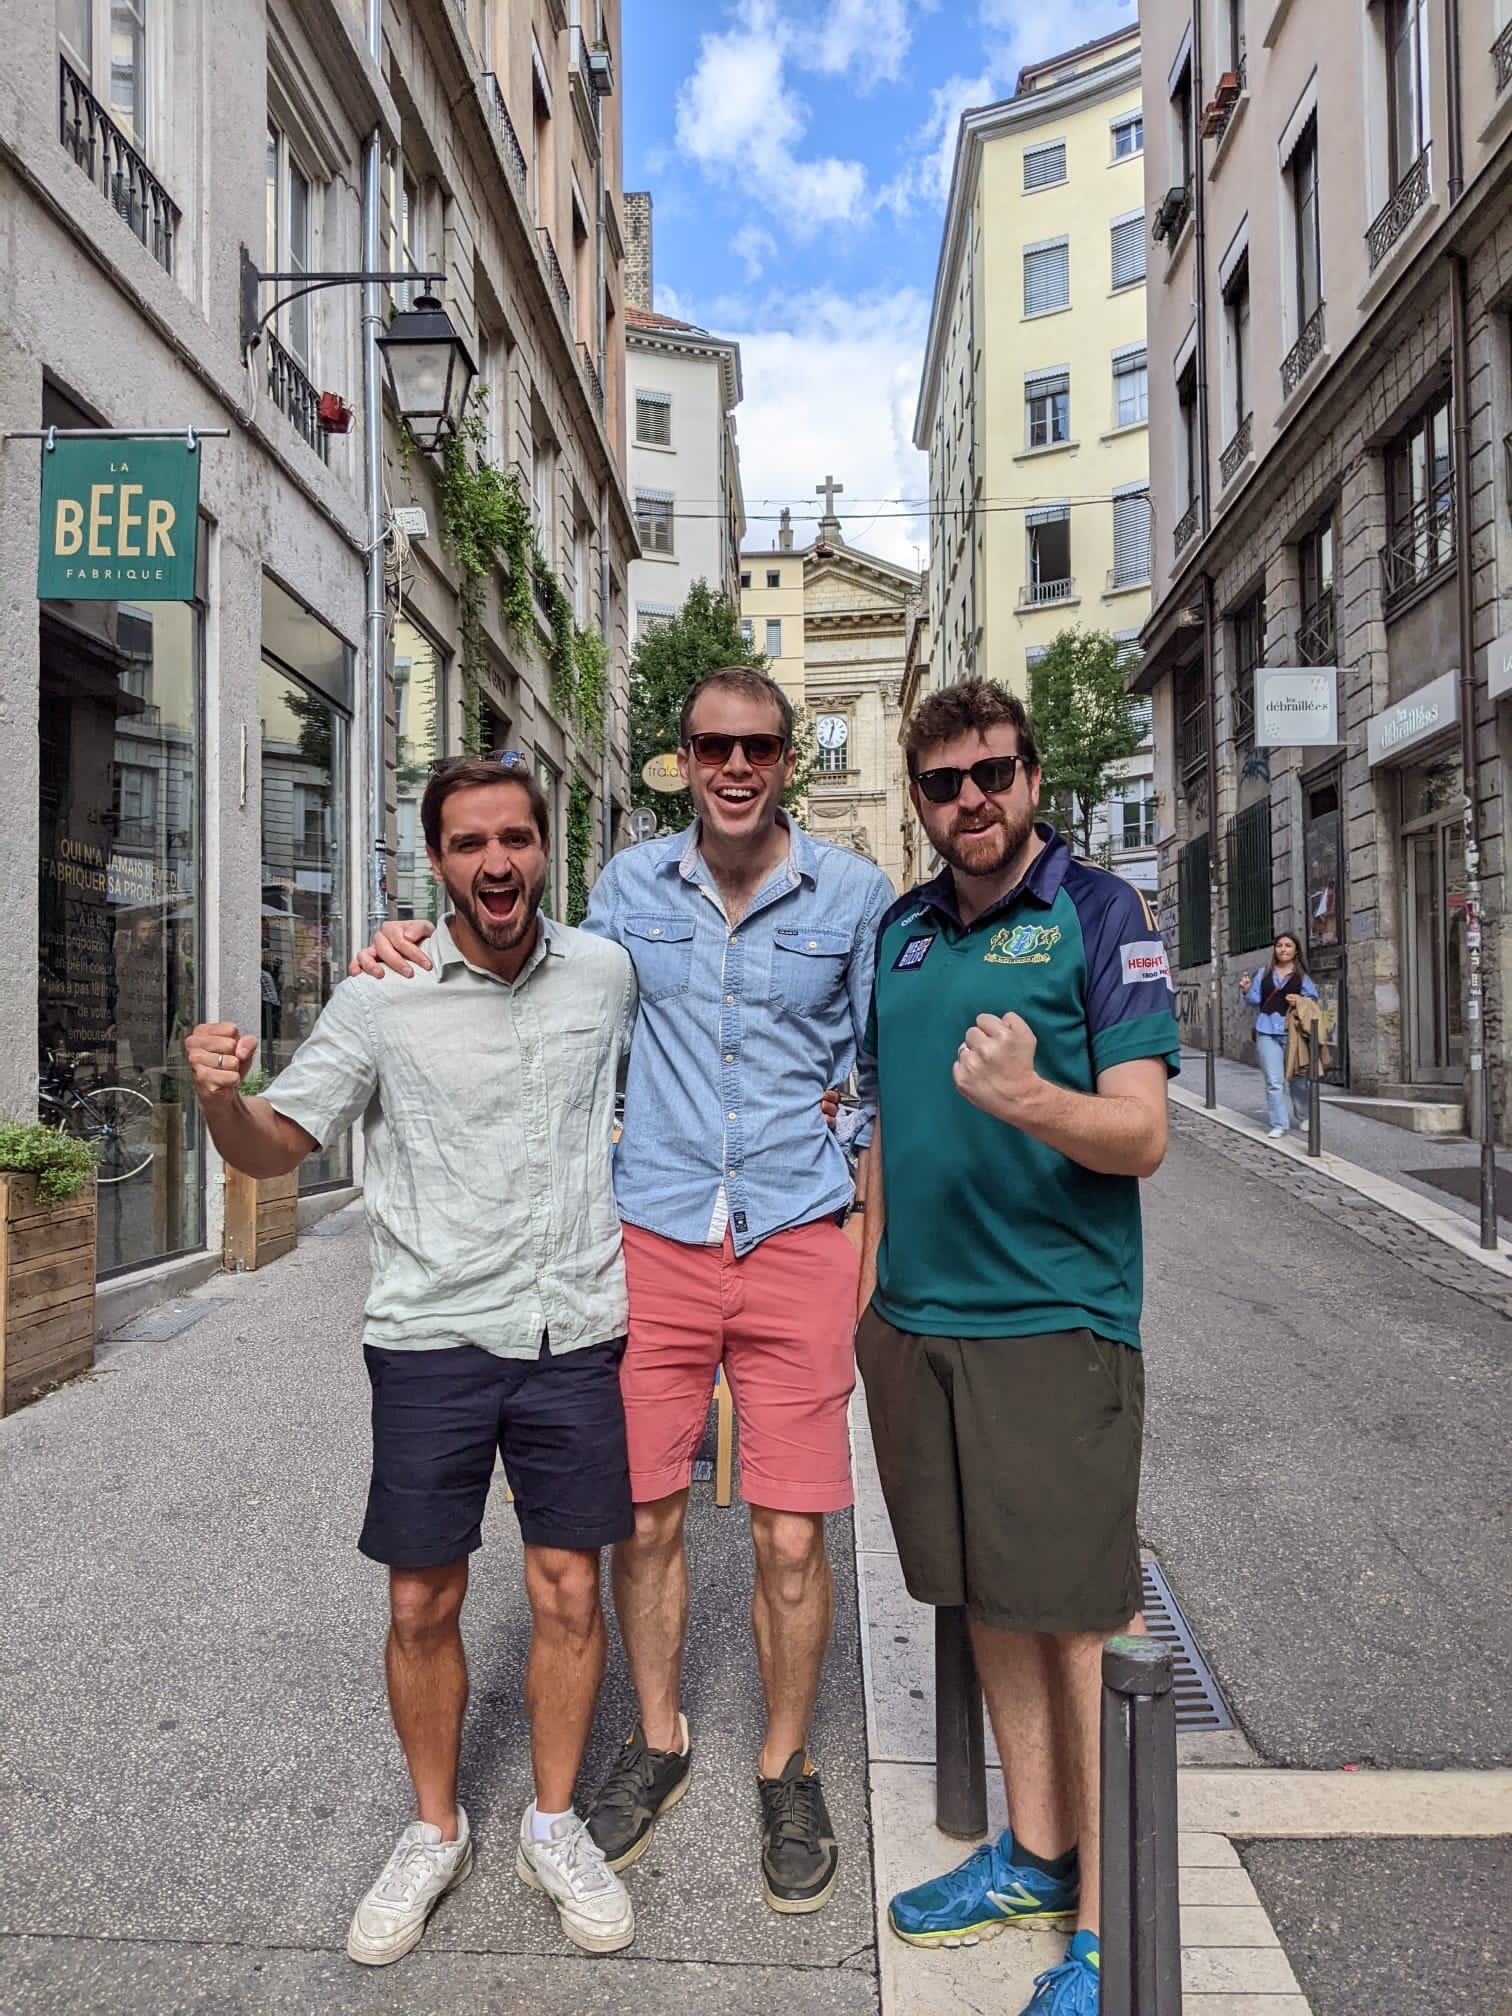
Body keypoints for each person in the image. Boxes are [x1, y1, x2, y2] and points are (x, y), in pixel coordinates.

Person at [357, 669, 894, 1915]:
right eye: (715, 745)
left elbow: (874, 1065)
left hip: (797, 1234)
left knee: (793, 1529)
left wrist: (863, 1237)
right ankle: (656, 1740)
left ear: (785, 760)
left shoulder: (854, 894)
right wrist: (404, 938)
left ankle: (787, 1759)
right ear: (684, 759)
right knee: (642, 1516)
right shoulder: (624, 890)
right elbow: (518, 960)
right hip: (648, 1233)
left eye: (760, 745)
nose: (738, 765)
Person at [185, 757, 639, 1967]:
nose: (496, 862)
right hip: (432, 1334)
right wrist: (220, 1102)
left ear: (547, 849)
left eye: (516, 838)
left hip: (571, 1327)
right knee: (420, 1599)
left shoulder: (606, 972)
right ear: (435, 863)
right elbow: (279, 1143)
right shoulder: (382, 996)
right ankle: (434, 1830)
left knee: (569, 1592)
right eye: (468, 844)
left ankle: (553, 1824)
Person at [855, 678, 1178, 2016]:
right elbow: (878, 1121)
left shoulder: (1101, 916)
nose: (972, 799)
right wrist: (869, 1301)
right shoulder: (904, 933)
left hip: (1055, 1323)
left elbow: (1143, 1134)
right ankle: (1036, 1856)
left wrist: (1032, 1095)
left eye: (994, 772)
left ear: (1031, 778)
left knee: (1081, 1623)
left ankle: (1105, 1933)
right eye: (945, 783)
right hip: (919, 1328)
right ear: (922, 802)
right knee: (988, 1600)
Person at [1239, 932, 1319, 1137]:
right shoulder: (1264, 973)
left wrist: (1299, 1000)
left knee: (1298, 1079)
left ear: (1296, 950)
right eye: (1279, 945)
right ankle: (1279, 1124)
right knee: (1274, 1081)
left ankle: (1304, 1115)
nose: (1283, 949)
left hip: (1292, 1032)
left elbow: (1313, 999)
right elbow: (1255, 1000)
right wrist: (1247, 990)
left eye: (1288, 945)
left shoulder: (1301, 976)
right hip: (1266, 1031)